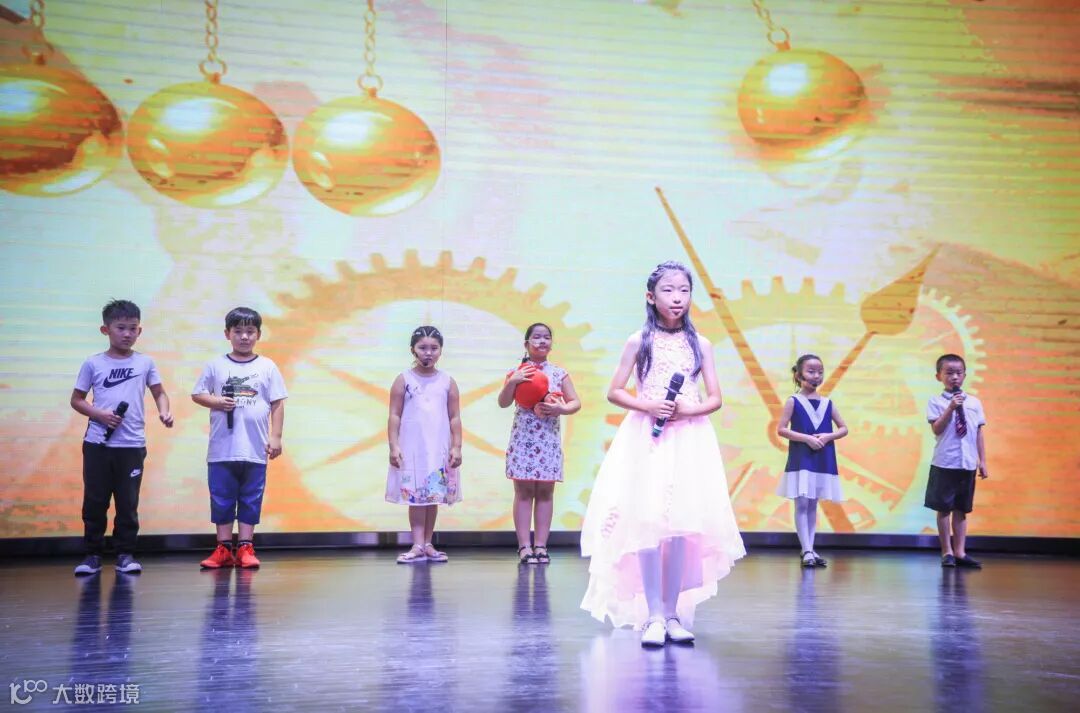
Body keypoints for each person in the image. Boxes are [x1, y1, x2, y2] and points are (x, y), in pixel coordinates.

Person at [580, 261, 746, 646]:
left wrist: (690, 410)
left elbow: (715, 398)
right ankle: (652, 614)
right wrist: (649, 405)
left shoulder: (700, 344)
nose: (677, 298)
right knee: (647, 522)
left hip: (689, 439)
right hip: (647, 438)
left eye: (684, 290)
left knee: (682, 527)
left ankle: (672, 613)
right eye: (668, 290)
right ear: (651, 296)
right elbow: (614, 391)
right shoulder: (639, 341)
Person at [71, 300, 173, 575]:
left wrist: (164, 412)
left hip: (131, 445)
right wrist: (100, 415)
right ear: (105, 330)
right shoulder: (93, 363)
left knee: (128, 503)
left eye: (132, 328)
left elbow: (159, 393)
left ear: (140, 330)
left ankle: (125, 555)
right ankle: (92, 555)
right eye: (120, 328)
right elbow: (77, 400)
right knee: (95, 501)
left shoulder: (145, 362)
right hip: (98, 444)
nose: (127, 334)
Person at [192, 307, 287, 569]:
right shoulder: (215, 365)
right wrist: (217, 401)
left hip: (254, 448)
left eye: (250, 331)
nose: (244, 337)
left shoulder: (267, 366)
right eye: (238, 331)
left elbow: (277, 403)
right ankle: (223, 548)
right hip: (222, 448)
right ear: (227, 334)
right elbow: (198, 394)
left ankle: (246, 547)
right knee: (221, 497)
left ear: (258, 334)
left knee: (250, 497)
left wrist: (276, 436)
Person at [499, 323, 581, 565]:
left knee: (546, 492)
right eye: (536, 337)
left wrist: (560, 409)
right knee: (523, 492)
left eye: (547, 337)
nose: (542, 341)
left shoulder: (559, 373)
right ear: (526, 344)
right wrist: (512, 382)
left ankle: (542, 546)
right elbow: (503, 402)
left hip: (548, 440)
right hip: (523, 439)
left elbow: (575, 402)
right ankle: (524, 547)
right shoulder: (516, 372)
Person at [386, 326, 463, 563]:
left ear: (440, 351)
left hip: (438, 448)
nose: (428, 353)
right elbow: (394, 415)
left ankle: (428, 543)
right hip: (413, 448)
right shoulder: (404, 379)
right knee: (416, 496)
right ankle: (417, 544)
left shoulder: (447, 381)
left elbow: (454, 417)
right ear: (413, 350)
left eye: (434, 348)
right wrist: (394, 445)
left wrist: (456, 446)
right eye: (422, 348)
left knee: (433, 496)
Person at [776, 354, 848, 568]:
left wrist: (827, 436)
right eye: (811, 371)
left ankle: (809, 548)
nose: (816, 376)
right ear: (798, 376)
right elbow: (781, 429)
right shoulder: (793, 401)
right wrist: (806, 438)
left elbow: (844, 428)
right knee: (802, 503)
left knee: (813, 505)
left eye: (820, 372)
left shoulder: (827, 403)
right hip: (802, 458)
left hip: (822, 458)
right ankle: (806, 549)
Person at [925, 354, 989, 568]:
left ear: (964, 375)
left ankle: (960, 552)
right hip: (945, 462)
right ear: (939, 376)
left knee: (962, 509)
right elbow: (937, 428)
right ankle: (947, 552)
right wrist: (951, 408)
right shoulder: (936, 402)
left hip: (967, 463)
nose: (954, 377)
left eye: (958, 373)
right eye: (949, 373)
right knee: (944, 508)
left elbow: (978, 432)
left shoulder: (974, 402)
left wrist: (982, 461)